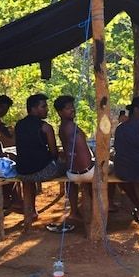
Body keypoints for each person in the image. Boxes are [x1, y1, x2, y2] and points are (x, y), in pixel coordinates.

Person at [14, 93, 64, 226]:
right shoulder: (46, 127)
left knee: (29, 177)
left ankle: (30, 213)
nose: (47, 109)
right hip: (41, 172)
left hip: (22, 172)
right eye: (44, 106)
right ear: (33, 108)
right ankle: (75, 211)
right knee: (70, 167)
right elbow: (54, 153)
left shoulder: (19, 125)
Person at [55, 95, 92, 226]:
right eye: (68, 108)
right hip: (87, 172)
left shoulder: (62, 128)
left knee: (70, 181)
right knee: (111, 168)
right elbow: (84, 156)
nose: (72, 110)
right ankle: (108, 204)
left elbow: (70, 152)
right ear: (60, 112)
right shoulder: (72, 128)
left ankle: (74, 211)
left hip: (72, 174)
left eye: (73, 107)